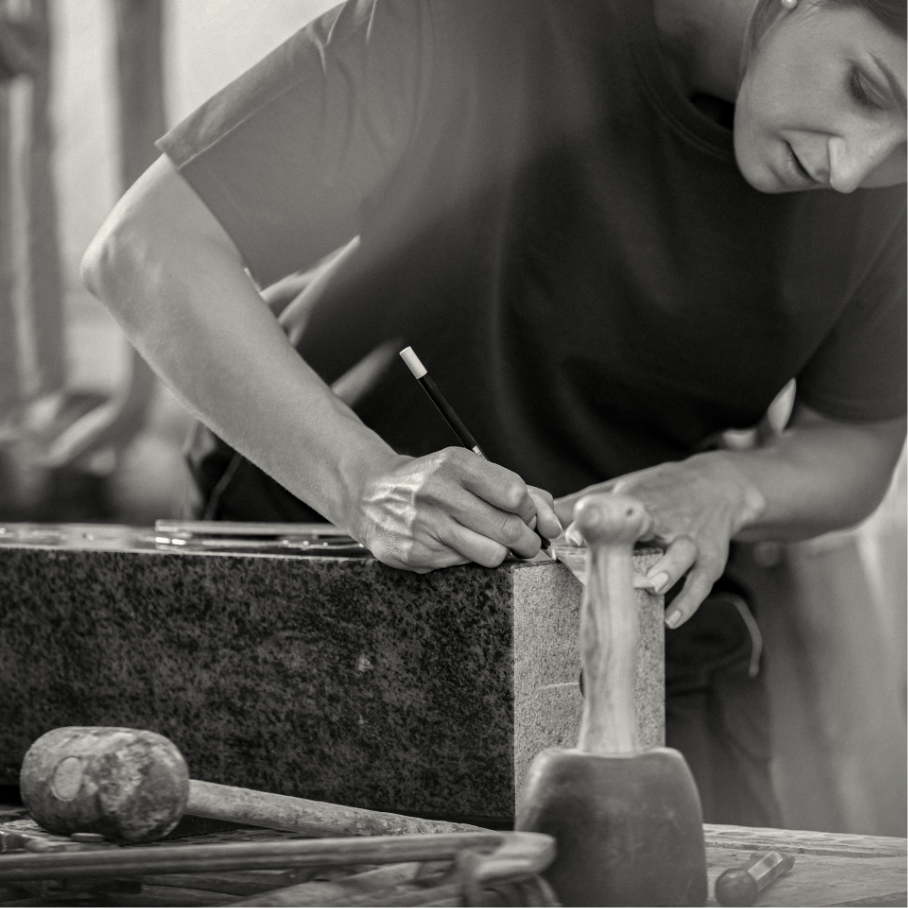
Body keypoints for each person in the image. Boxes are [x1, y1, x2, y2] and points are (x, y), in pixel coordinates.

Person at [80, 0, 908, 826]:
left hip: (629, 636)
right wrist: (366, 482)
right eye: (868, 90)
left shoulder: (889, 199)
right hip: (332, 605)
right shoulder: (474, 20)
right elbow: (147, 248)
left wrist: (728, 487)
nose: (853, 169)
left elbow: (857, 440)